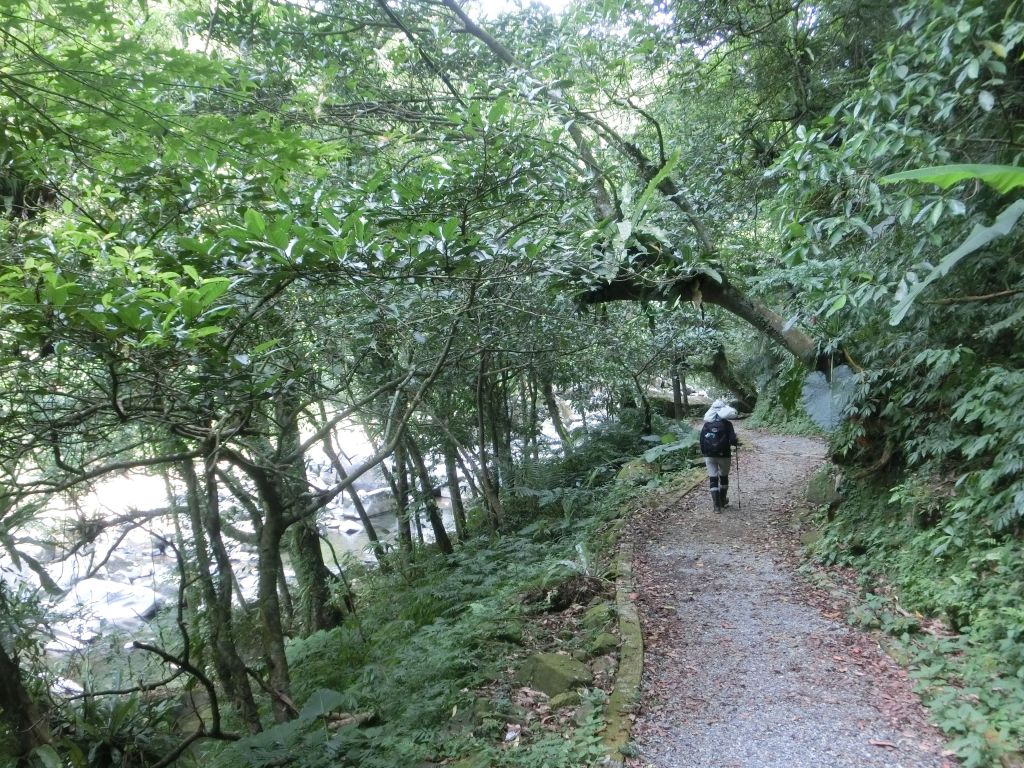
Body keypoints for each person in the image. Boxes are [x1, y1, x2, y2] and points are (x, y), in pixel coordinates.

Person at [700, 399, 739, 511]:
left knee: (713, 479)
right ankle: (722, 500)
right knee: (723, 477)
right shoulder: (727, 424)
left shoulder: (706, 424)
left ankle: (716, 506)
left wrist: (705, 454)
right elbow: (732, 440)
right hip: (724, 455)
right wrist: (735, 441)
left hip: (709, 455)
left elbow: (702, 440)